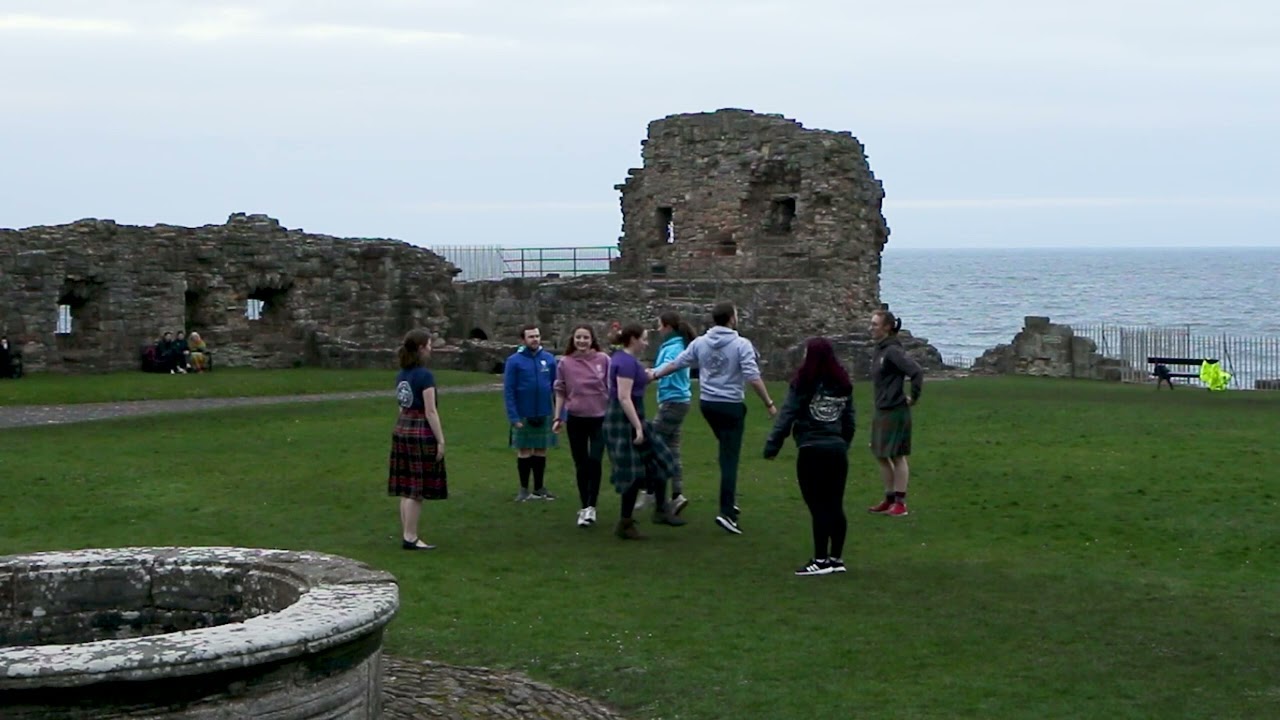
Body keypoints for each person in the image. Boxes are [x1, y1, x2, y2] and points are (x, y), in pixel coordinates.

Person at [649, 302, 777, 535]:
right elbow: (752, 376)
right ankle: (726, 512)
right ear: (731, 319)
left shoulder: (701, 342)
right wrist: (768, 403)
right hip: (731, 406)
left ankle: (729, 502)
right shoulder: (741, 344)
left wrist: (655, 374)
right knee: (730, 459)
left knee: (725, 452)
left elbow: (678, 363)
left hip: (708, 405)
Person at [764, 338, 856, 576]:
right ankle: (836, 558)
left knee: (818, 506)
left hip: (811, 448)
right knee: (835, 504)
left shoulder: (803, 383)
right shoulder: (843, 384)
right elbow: (849, 420)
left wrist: (773, 445)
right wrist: (843, 443)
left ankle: (820, 559)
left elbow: (787, 414)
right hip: (836, 449)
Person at [604, 323, 687, 539]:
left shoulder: (630, 361)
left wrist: (663, 370)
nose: (646, 343)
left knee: (660, 461)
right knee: (632, 474)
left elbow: (642, 380)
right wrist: (638, 427)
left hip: (634, 417)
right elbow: (624, 397)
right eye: (644, 339)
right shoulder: (624, 362)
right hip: (623, 420)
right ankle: (625, 523)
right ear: (633, 339)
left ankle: (661, 510)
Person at [388, 329, 447, 550]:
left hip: (402, 428)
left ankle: (407, 533)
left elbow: (401, 405)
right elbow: (430, 411)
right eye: (429, 345)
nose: (431, 349)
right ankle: (410, 537)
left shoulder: (401, 374)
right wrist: (440, 440)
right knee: (416, 489)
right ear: (421, 348)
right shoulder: (425, 376)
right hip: (420, 431)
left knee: (406, 487)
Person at [866, 309, 924, 517]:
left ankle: (900, 503)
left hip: (895, 410)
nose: (871, 328)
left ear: (887, 327)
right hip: (882, 409)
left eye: (875, 324)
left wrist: (913, 398)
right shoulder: (880, 350)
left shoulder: (892, 351)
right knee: (881, 454)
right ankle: (889, 498)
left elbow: (916, 372)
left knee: (897, 455)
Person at [636, 312, 695, 515]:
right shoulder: (676, 345)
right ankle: (677, 495)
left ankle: (650, 490)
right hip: (678, 401)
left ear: (668, 327)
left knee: (650, 444)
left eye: (660, 326)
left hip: (673, 402)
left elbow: (670, 364)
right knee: (672, 450)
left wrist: (652, 373)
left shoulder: (674, 347)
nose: (658, 330)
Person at [552, 324, 611, 527]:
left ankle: (592, 506)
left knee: (595, 460)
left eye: (586, 337)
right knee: (581, 463)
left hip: (600, 419)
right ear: (573, 339)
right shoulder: (565, 363)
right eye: (578, 337)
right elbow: (560, 390)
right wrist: (557, 417)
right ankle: (584, 505)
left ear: (592, 339)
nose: (582, 341)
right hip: (576, 419)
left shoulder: (603, 360)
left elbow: (612, 387)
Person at [503, 324, 558, 501]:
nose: (535, 339)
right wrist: (514, 417)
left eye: (537, 336)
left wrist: (559, 414)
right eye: (531, 337)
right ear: (523, 340)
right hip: (523, 414)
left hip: (544, 412)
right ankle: (524, 489)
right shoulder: (514, 361)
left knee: (541, 450)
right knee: (524, 451)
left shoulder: (549, 359)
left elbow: (557, 388)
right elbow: (509, 391)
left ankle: (539, 488)